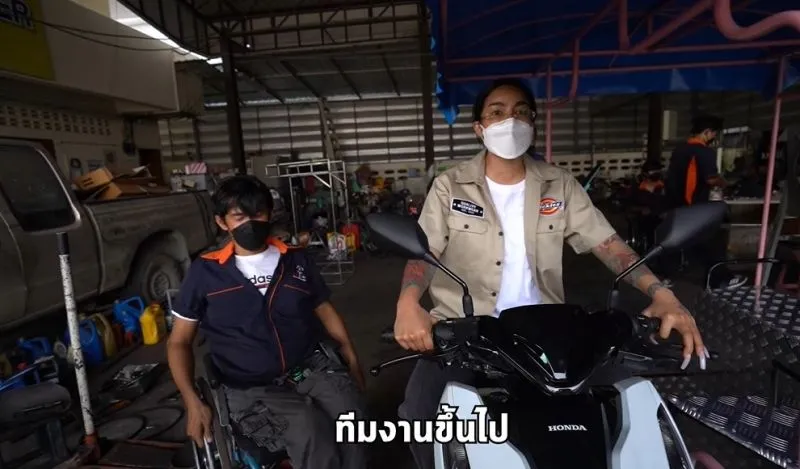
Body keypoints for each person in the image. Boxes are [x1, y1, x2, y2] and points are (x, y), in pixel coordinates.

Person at [393, 78, 709, 469]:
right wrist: (408, 303)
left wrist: (662, 293)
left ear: (533, 123)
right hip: (466, 333)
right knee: (420, 416)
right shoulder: (449, 187)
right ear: (479, 127)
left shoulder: (559, 185)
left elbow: (608, 244)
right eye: (497, 112)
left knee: (627, 414)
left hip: (546, 335)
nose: (510, 121)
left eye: (521, 112)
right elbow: (424, 252)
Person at [166, 175, 367, 469]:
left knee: (352, 419)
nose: (251, 224)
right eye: (239, 217)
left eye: (258, 214)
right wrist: (191, 400)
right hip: (249, 387)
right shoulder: (205, 273)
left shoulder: (295, 260)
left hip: (308, 370)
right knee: (309, 430)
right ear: (222, 222)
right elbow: (179, 342)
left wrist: (351, 358)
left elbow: (324, 310)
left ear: (270, 214)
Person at [664, 114, 748, 289]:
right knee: (712, 243)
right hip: (695, 207)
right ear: (707, 132)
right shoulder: (704, 152)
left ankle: (667, 277)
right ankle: (720, 280)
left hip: (676, 205)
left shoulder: (679, 150)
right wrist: (725, 183)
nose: (714, 137)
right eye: (714, 133)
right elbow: (711, 179)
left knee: (677, 240)